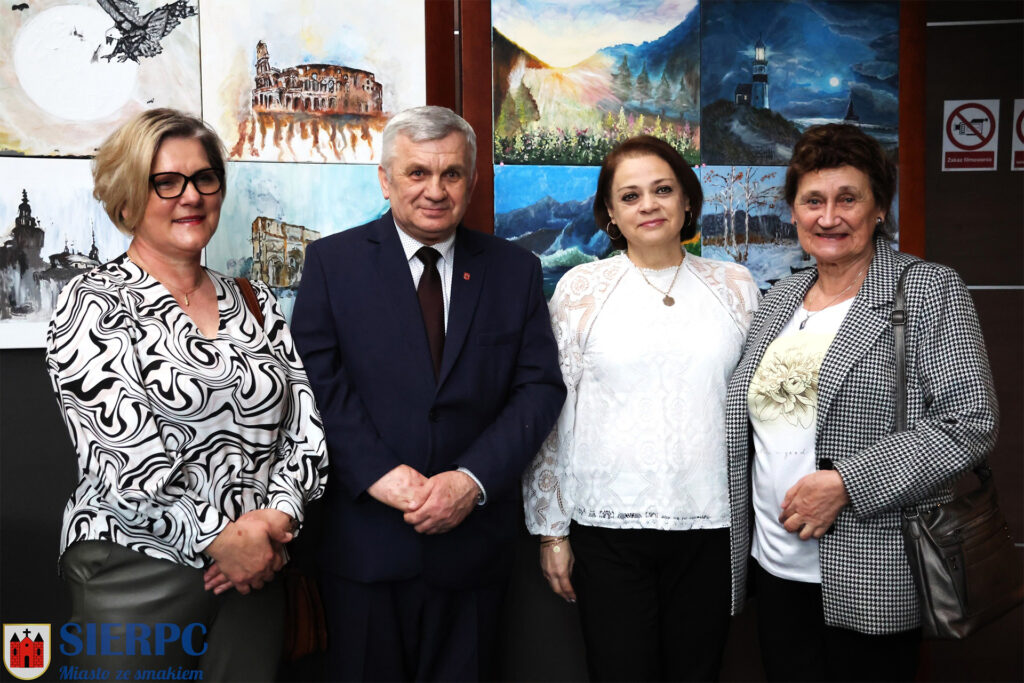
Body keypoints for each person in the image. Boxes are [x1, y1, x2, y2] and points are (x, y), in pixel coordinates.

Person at [46, 108, 328, 680]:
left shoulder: (255, 301)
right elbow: (122, 456)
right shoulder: (92, 302)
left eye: (204, 178)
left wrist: (275, 522)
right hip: (138, 566)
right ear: (128, 199)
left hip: (256, 568)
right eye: (166, 182)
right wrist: (222, 539)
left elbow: (306, 429)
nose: (191, 196)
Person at [290, 105, 565, 682]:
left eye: (451, 174)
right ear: (385, 180)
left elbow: (538, 388)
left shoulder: (515, 270)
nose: (435, 191)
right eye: (417, 172)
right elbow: (316, 383)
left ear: (472, 180)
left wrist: (471, 481)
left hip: (473, 552)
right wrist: (378, 473)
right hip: (364, 547)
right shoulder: (332, 263)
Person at [725, 123, 999, 681]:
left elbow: (971, 422)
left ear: (879, 209)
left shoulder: (925, 290)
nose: (829, 217)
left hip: (871, 568)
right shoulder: (780, 299)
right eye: (813, 201)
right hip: (775, 567)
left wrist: (846, 483)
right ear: (794, 212)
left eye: (848, 199)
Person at [523, 135, 760, 681]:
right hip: (607, 529)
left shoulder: (736, 286)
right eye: (630, 196)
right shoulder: (581, 289)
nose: (648, 205)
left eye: (662, 190)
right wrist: (551, 531)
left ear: (687, 200)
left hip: (712, 526)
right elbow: (554, 414)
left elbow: (755, 405)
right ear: (610, 212)